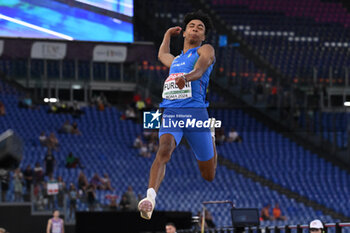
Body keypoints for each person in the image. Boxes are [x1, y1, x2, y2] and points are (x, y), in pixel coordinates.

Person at [138, 10, 218, 220]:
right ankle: (150, 199)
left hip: (196, 114)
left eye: (200, 28)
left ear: (203, 36)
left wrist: (187, 78)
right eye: (192, 26)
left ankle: (211, 136)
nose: (195, 29)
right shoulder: (176, 61)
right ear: (184, 32)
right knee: (164, 150)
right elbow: (162, 56)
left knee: (208, 175)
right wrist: (166, 35)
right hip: (172, 111)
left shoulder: (205, 50)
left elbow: (200, 70)